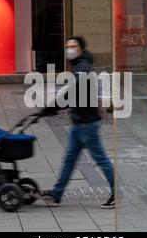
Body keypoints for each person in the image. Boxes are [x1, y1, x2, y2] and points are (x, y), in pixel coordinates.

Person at [38, 36, 115, 209]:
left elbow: (73, 90)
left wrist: (53, 107)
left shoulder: (82, 68)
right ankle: (56, 195)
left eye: (73, 46)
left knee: (100, 158)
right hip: (80, 122)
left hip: (87, 123)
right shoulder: (79, 66)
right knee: (70, 160)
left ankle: (115, 192)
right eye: (67, 46)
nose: (69, 50)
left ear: (81, 49)